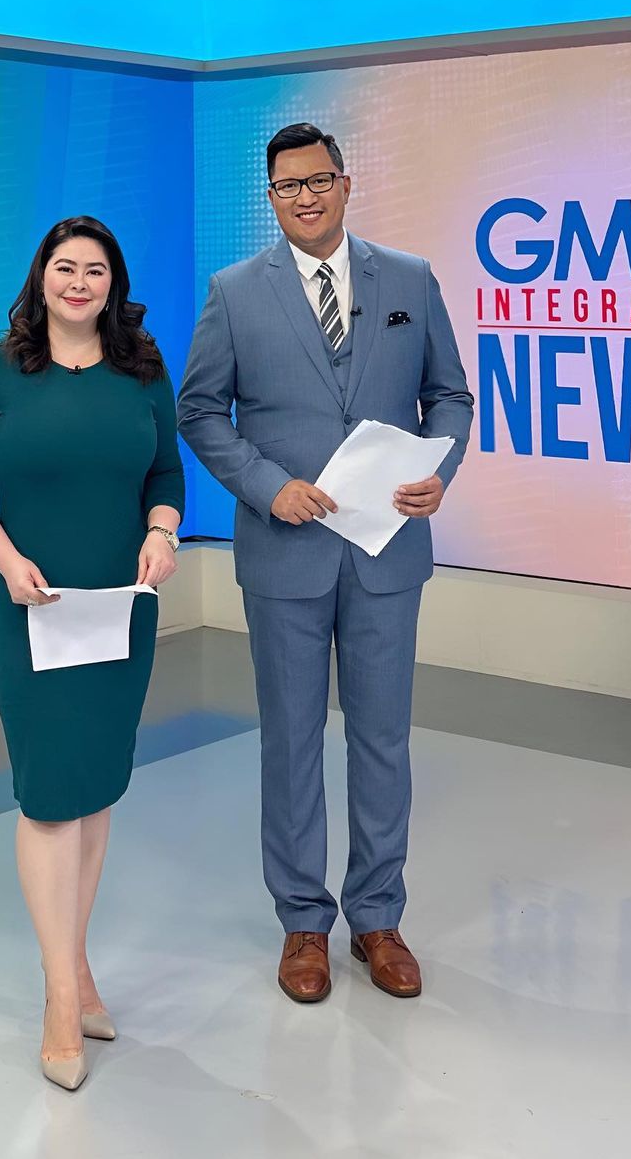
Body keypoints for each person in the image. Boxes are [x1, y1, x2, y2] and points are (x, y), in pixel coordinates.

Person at [178, 123, 473, 1003]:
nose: (304, 197)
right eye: (287, 186)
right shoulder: (235, 292)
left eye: (318, 180)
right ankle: (303, 923)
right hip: (286, 554)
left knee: (383, 738)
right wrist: (267, 487)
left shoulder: (410, 280)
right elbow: (200, 411)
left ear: (347, 183)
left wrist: (438, 468)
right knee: (292, 740)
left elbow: (450, 395)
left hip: (388, 553)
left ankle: (377, 919)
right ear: (270, 198)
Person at [0, 216, 184, 1090]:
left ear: (114, 284)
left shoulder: (143, 370)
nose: (79, 283)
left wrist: (162, 533)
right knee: (48, 797)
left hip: (119, 611)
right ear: (41, 277)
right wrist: (6, 560)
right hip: (29, 609)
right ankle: (58, 995)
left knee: (95, 788)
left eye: (96, 270)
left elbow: (166, 475)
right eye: (65, 267)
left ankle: (76, 965)